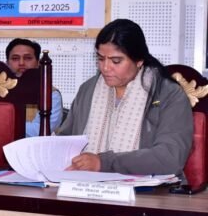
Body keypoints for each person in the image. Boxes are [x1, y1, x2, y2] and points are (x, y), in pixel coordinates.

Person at [57, 19, 193, 176]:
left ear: (139, 60)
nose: (105, 68)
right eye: (100, 59)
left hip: (150, 188)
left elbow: (170, 158)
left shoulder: (168, 95)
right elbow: (66, 140)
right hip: (84, 186)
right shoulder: (88, 90)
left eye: (116, 61)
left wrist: (103, 163)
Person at [5, 38, 63, 137]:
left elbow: (39, 130)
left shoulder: (51, 94)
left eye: (28, 58)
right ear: (7, 63)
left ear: (38, 63)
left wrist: (3, 122)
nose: (21, 63)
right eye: (15, 58)